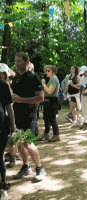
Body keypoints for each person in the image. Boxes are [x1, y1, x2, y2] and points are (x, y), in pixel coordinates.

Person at [12, 52, 46, 182]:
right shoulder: (15, 78)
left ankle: (40, 168)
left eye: (19, 61)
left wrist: (21, 100)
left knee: (27, 143)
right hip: (18, 116)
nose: (16, 63)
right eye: (16, 61)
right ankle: (26, 167)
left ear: (26, 62)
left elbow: (40, 98)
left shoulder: (34, 78)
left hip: (30, 116)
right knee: (20, 144)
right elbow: (15, 97)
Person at [0, 78, 16, 194]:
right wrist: (13, 126)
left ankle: (2, 185)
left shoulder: (3, 85)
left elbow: (9, 107)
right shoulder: (3, 85)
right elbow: (9, 107)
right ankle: (3, 185)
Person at [0, 63, 17, 168]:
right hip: (4, 113)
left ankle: (13, 156)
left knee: (12, 136)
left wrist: (13, 123)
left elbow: (10, 105)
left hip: (10, 112)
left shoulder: (10, 83)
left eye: (2, 73)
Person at [39, 65, 60, 141]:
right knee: (46, 118)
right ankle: (46, 134)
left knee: (52, 118)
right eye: (46, 70)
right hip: (48, 101)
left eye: (48, 71)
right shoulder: (51, 79)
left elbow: (50, 91)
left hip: (52, 101)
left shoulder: (54, 79)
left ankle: (56, 135)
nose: (46, 72)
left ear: (53, 72)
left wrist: (44, 84)